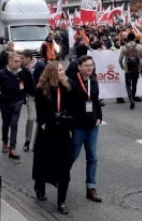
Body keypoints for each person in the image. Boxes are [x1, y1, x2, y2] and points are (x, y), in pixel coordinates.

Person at [32, 62, 74, 215]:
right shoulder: (41, 90)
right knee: (43, 162)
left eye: (63, 70)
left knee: (64, 167)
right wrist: (55, 117)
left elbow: (71, 109)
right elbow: (41, 115)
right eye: (60, 70)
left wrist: (66, 119)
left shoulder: (67, 88)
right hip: (47, 132)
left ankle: (61, 201)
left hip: (63, 132)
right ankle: (39, 185)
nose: (63, 72)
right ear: (52, 72)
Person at [66, 55, 103, 203]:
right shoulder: (72, 83)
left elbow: (95, 100)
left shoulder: (93, 81)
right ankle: (62, 178)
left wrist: (99, 116)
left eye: (91, 65)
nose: (90, 68)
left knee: (92, 157)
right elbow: (67, 106)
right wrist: (68, 126)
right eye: (86, 65)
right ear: (79, 67)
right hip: (78, 126)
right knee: (72, 156)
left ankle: (91, 188)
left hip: (92, 126)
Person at [0, 53, 33, 160]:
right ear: (9, 62)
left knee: (14, 123)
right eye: (16, 61)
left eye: (20, 61)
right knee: (6, 123)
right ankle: (5, 141)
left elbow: (29, 86)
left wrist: (23, 97)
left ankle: (12, 148)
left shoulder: (23, 72)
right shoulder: (2, 74)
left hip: (17, 102)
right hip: (4, 102)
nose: (18, 64)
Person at [22, 50, 46, 152]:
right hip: (31, 96)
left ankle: (36, 142)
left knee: (40, 121)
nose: (21, 60)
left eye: (23, 58)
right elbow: (22, 83)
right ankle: (27, 141)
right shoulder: (23, 69)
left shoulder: (40, 66)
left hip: (41, 98)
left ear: (29, 58)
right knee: (31, 118)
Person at [118, 33, 142, 110]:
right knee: (134, 84)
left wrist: (122, 67)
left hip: (127, 69)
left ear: (128, 38)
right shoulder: (140, 46)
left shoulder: (124, 47)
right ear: (134, 38)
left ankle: (130, 99)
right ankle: (133, 97)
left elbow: (120, 60)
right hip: (136, 68)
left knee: (128, 85)